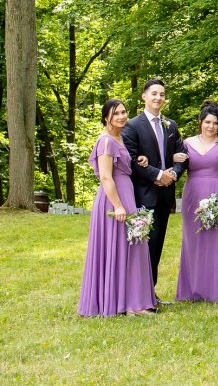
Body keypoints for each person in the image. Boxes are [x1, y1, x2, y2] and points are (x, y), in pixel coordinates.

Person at [78, 99, 157, 317]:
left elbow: (122, 165)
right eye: (116, 114)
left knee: (132, 248)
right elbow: (105, 176)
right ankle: (123, 303)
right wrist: (118, 206)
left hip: (126, 194)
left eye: (124, 112)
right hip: (114, 200)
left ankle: (133, 302)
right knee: (121, 248)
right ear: (106, 118)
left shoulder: (119, 137)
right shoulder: (105, 141)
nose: (121, 116)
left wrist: (139, 159)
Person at [123, 78, 187, 300]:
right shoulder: (132, 126)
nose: (158, 98)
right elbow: (131, 161)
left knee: (157, 245)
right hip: (143, 196)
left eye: (162, 94)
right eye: (154, 94)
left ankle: (151, 293)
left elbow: (182, 156)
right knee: (142, 246)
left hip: (164, 196)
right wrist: (159, 175)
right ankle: (137, 295)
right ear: (144, 96)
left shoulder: (171, 125)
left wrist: (173, 175)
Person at [175, 100, 218, 303]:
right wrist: (172, 158)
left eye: (215, 123)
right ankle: (193, 290)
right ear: (200, 122)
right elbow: (176, 167)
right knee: (194, 242)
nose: (211, 126)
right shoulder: (187, 143)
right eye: (207, 122)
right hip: (193, 197)